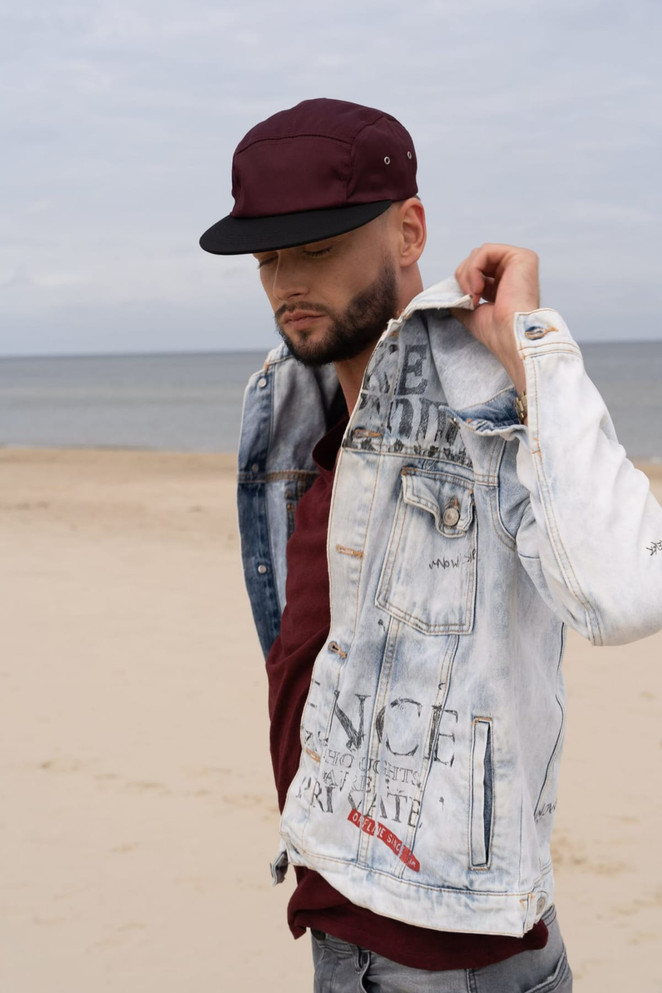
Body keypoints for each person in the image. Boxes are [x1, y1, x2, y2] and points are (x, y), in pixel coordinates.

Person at [200, 98, 662, 992]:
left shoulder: (491, 397)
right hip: (344, 917)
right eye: (267, 256)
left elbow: (628, 589)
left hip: (457, 952)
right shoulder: (288, 407)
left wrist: (531, 347)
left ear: (409, 230)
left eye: (319, 247)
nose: (287, 282)